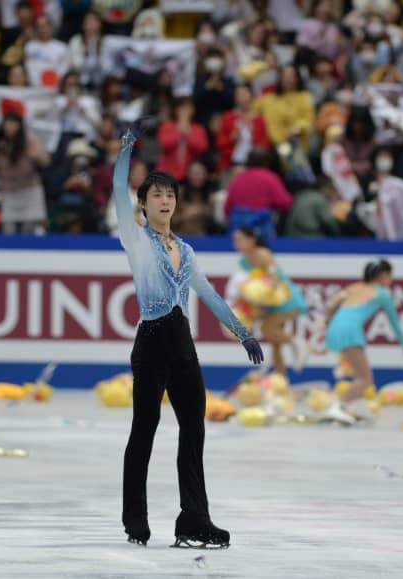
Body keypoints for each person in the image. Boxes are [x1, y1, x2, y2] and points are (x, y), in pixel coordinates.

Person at [113, 118, 263, 548]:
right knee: (145, 427)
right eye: (156, 195)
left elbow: (211, 296)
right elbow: (117, 187)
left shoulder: (188, 250)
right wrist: (127, 145)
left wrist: (242, 332)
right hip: (152, 341)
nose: (164, 200)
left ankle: (194, 519)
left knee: (193, 430)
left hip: (183, 343)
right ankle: (135, 520)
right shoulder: (136, 240)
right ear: (142, 205)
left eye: (170, 195)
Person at [324, 259, 403, 403]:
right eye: (390, 276)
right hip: (350, 332)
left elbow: (329, 306)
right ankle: (338, 407)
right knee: (364, 379)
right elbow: (395, 323)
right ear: (383, 275)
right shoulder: (382, 294)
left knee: (359, 376)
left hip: (335, 329)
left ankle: (348, 407)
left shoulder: (352, 288)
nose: (391, 280)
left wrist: (328, 322)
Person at [232, 226, 310, 376]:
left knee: (267, 328)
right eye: (235, 239)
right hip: (270, 303)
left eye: (239, 239)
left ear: (251, 240)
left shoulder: (264, 254)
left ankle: (297, 342)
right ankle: (282, 381)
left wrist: (259, 289)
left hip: (285, 299)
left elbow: (273, 279)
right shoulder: (244, 261)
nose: (236, 242)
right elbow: (253, 285)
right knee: (275, 344)